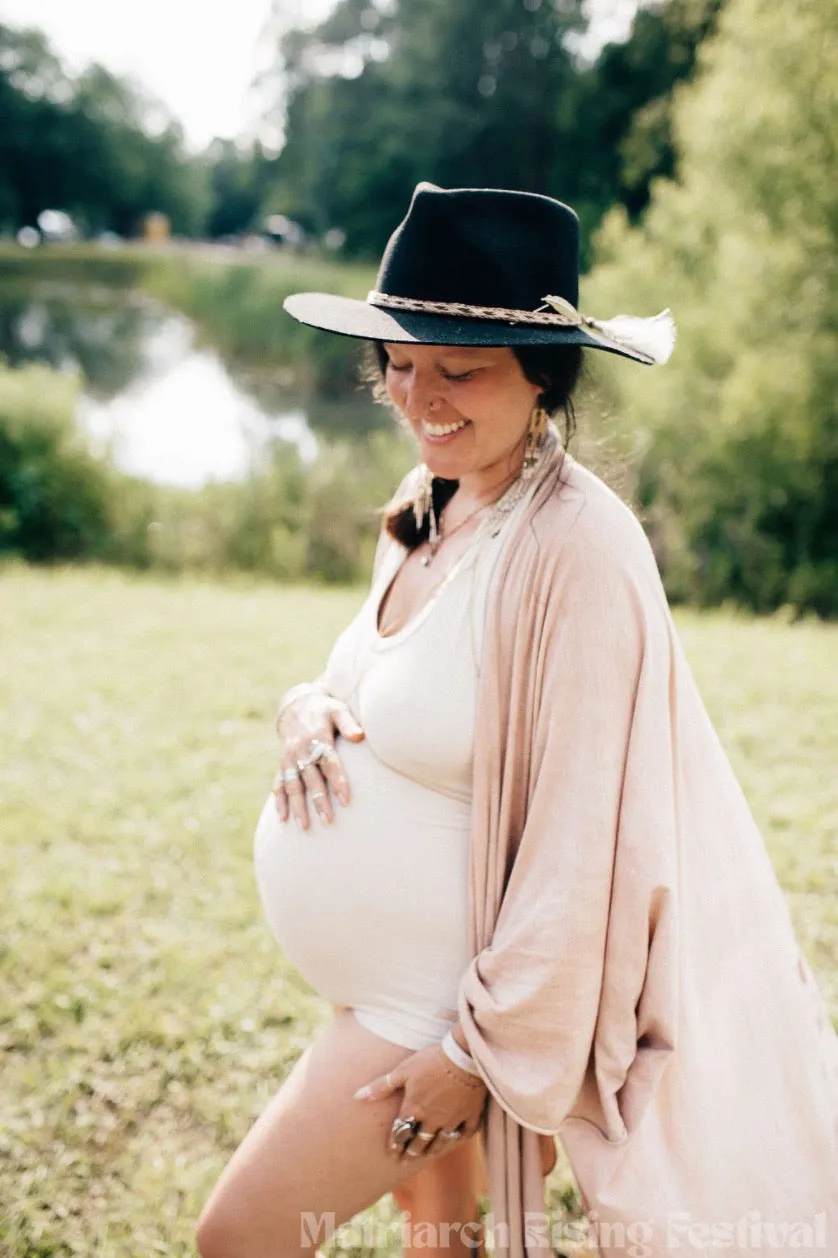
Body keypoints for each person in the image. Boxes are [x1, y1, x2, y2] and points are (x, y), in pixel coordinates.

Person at [196, 185, 838, 1258]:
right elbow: (379, 681)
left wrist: (477, 1049)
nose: (417, 394)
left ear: (543, 378)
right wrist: (302, 708)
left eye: (459, 369)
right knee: (440, 1245)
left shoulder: (578, 549)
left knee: (239, 1237)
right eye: (400, 362)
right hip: (386, 991)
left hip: (436, 1006)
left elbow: (583, 839)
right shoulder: (432, 497)